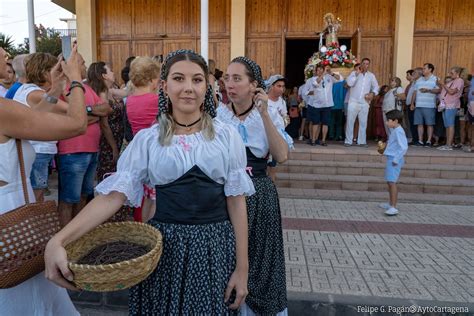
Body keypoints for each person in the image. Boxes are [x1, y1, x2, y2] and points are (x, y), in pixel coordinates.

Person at [45, 49, 252, 315]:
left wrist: (242, 268)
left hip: (214, 249)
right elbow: (112, 197)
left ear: (208, 86)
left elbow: (236, 202)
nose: (188, 88)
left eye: (197, 80)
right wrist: (58, 240)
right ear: (164, 86)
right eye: (179, 79)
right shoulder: (149, 140)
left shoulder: (226, 137)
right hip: (163, 249)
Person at [0, 46, 86, 316]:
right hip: (10, 217)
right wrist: (75, 81)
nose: (6, 56)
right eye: (0, 53)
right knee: (27, 299)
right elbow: (76, 124)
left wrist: (55, 87)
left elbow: (32, 115)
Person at [218, 56, 290, 315]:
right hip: (224, 193)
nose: (229, 84)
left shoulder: (268, 112)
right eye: (227, 78)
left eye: (237, 78)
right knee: (228, 257)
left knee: (261, 260)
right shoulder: (219, 115)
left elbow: (281, 155)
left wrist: (264, 114)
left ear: (254, 85)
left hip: (259, 193)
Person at [345, 58, 379, 147]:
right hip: (353, 101)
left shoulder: (371, 76)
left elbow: (376, 87)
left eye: (367, 64)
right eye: (364, 63)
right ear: (361, 64)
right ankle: (348, 141)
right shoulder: (354, 73)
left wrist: (373, 93)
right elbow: (349, 83)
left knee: (363, 122)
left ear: (369, 65)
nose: (365, 65)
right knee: (350, 122)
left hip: (364, 102)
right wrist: (356, 74)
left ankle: (362, 141)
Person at [379, 109, 408, 216]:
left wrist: (396, 159)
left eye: (389, 120)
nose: (387, 123)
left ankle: (393, 207)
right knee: (389, 181)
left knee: (392, 182)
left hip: (394, 160)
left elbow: (403, 147)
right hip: (391, 158)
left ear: (395, 121)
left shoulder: (399, 131)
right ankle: (390, 203)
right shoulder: (395, 130)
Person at [305, 65, 342, 146]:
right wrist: (323, 74)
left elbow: (339, 78)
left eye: (321, 70)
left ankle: (323, 140)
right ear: (316, 71)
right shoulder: (314, 79)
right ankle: (314, 140)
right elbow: (315, 84)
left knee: (325, 123)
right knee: (316, 123)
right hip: (317, 105)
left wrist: (331, 73)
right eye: (318, 70)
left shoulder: (329, 77)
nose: (320, 71)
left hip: (327, 104)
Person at [410, 63, 440, 147]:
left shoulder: (435, 79)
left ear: (430, 69)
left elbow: (439, 90)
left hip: (429, 105)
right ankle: (420, 141)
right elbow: (415, 92)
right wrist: (412, 103)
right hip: (418, 105)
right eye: (423, 69)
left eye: (424, 68)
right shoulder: (419, 80)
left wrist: (428, 90)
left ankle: (429, 141)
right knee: (419, 124)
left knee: (429, 124)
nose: (422, 70)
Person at [266, 74, 289, 181]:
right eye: (278, 86)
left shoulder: (282, 102)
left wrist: (283, 120)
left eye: (283, 86)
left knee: (273, 167)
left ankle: (271, 190)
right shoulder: (264, 99)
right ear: (271, 86)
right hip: (263, 138)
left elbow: (286, 118)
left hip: (275, 138)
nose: (282, 89)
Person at [437, 67, 465, 150]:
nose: (450, 74)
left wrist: (443, 84)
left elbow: (452, 92)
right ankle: (447, 144)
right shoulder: (452, 81)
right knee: (447, 125)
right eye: (450, 73)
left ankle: (449, 145)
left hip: (451, 105)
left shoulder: (460, 81)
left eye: (452, 73)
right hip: (445, 105)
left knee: (450, 124)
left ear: (457, 73)